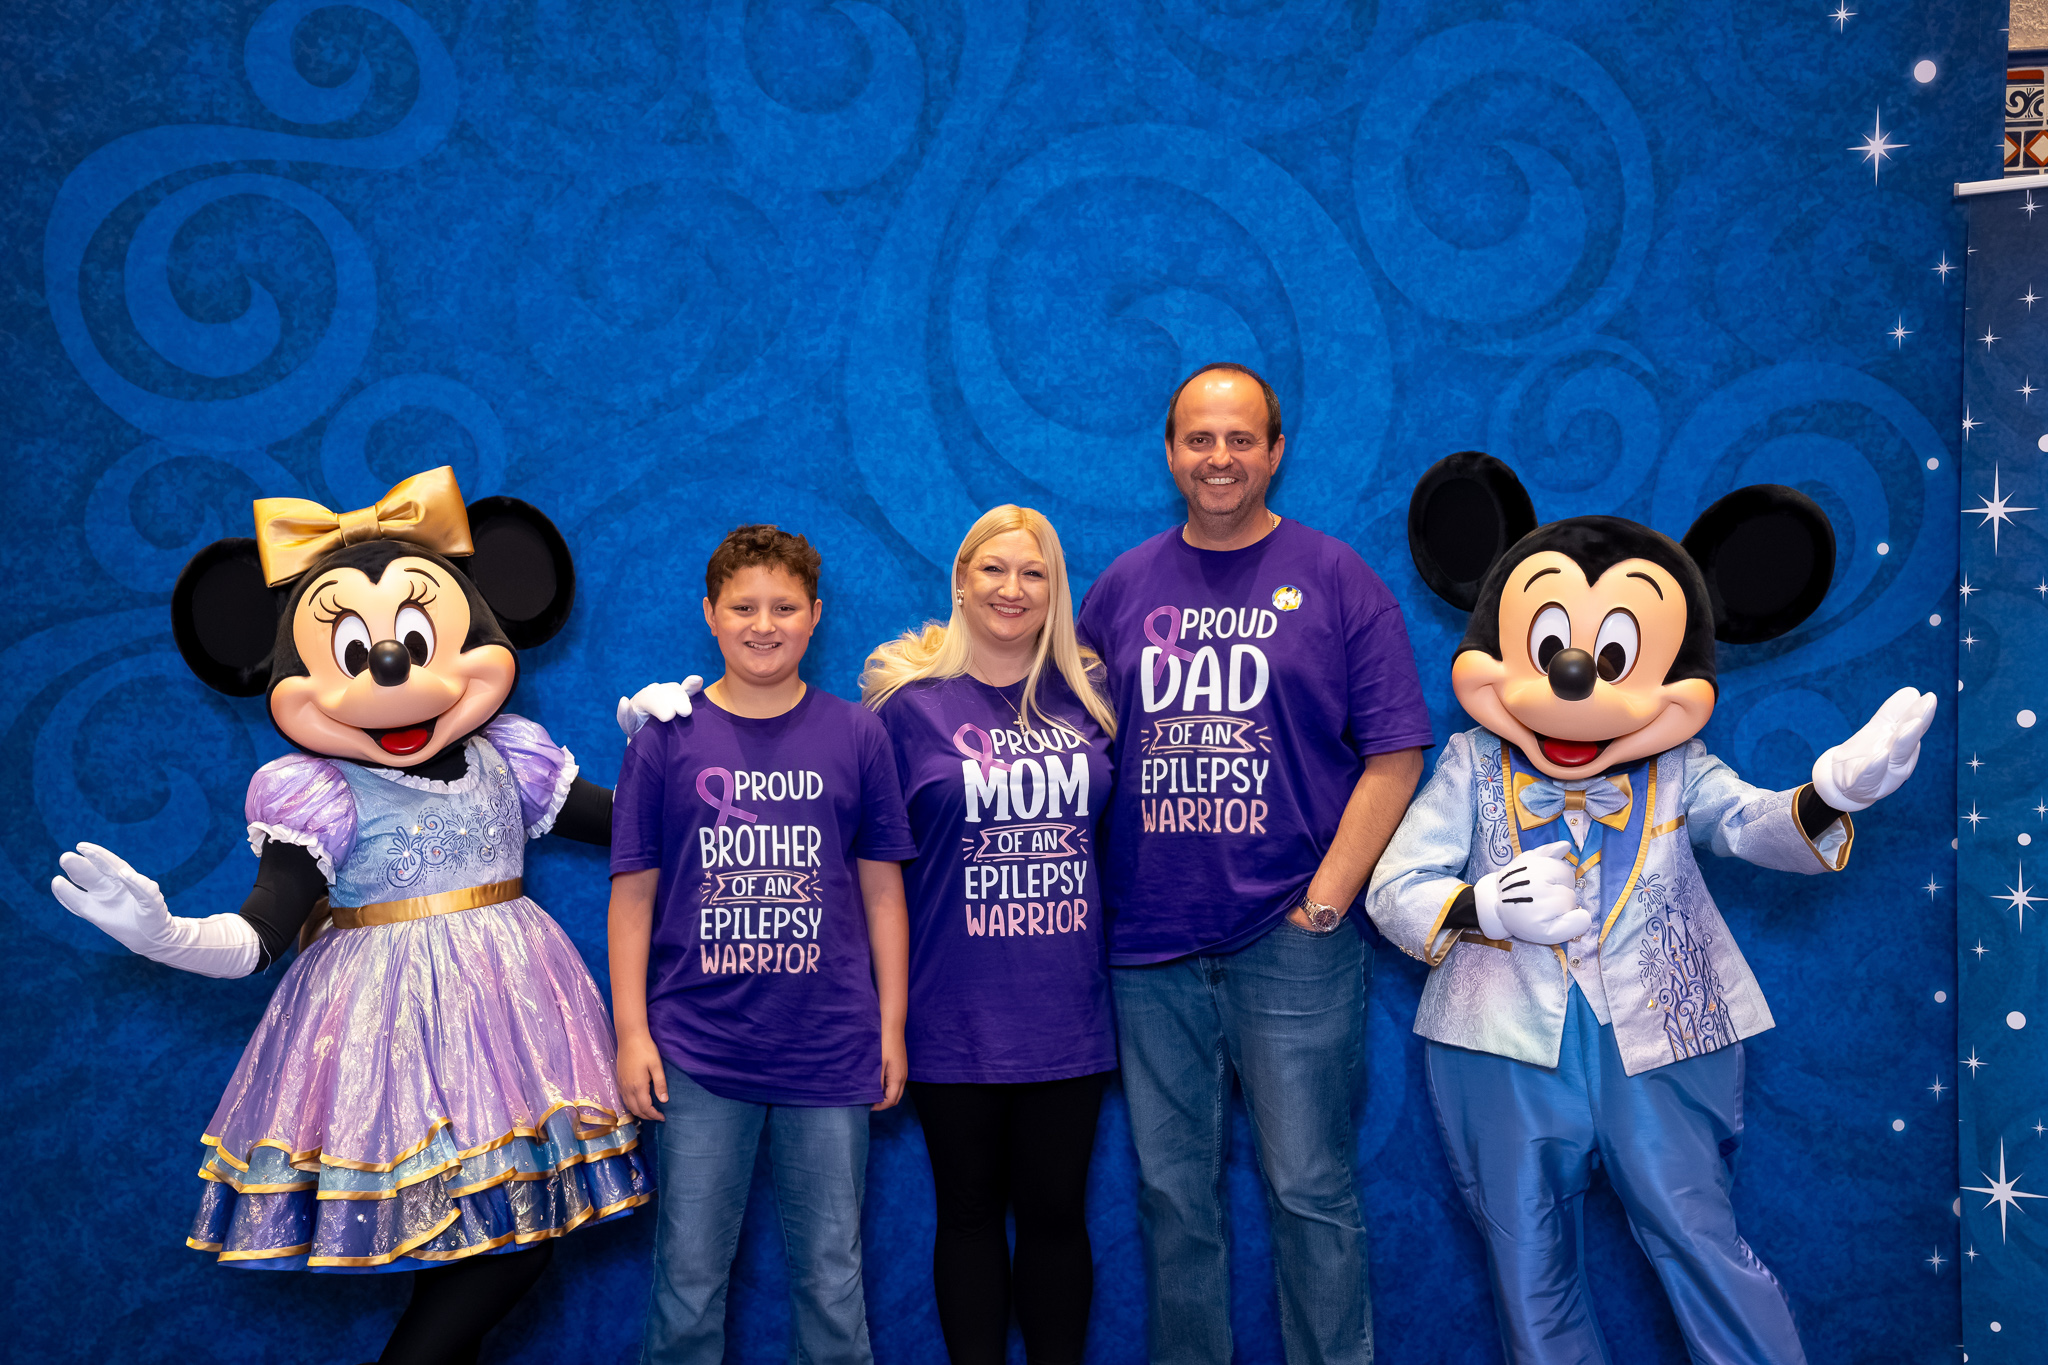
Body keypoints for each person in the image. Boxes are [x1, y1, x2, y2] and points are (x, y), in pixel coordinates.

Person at [48, 470, 680, 1364]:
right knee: (482, 1236)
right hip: (390, 1035)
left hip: (512, 1024)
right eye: (353, 652)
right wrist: (165, 935)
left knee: (496, 1234)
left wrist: (661, 747)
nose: (392, 669)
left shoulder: (510, 756)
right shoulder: (318, 791)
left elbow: (637, 826)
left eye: (418, 639)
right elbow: (262, 933)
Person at [1074, 365, 1432, 1365]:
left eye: (1240, 438)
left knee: (1309, 1190)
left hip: (1292, 941)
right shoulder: (1121, 589)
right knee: (1170, 1197)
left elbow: (1396, 752)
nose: (1218, 457)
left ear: (1275, 451)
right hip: (1148, 949)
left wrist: (1325, 903)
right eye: (1199, 438)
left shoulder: (1335, 577)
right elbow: (1063, 741)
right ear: (1169, 452)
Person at [608, 523, 916, 1365]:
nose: (764, 624)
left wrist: (891, 1026)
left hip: (830, 1045)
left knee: (832, 1280)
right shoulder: (664, 738)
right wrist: (632, 1032)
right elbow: (632, 897)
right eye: (743, 607)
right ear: (710, 613)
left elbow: (883, 893)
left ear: (815, 615)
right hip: (698, 1050)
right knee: (688, 1282)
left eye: (784, 606)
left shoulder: (857, 734)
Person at [861, 505, 1119, 1365]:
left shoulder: (1092, 698)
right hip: (950, 1010)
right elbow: (870, 872)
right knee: (966, 1215)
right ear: (961, 581)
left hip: (1066, 1010)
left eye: (1034, 572)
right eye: (995, 569)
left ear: (1056, 590)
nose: (1014, 588)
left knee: (1056, 1217)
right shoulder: (904, 709)